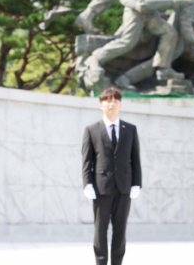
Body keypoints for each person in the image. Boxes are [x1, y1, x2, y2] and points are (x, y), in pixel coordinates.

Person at [84, 0, 190, 90]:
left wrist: (163, 6)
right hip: (134, 12)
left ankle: (163, 68)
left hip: (151, 15)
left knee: (170, 33)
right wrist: (136, 4)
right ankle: (96, 58)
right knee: (128, 42)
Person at [82, 87, 142, 265]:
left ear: (120, 105)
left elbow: (135, 159)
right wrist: (87, 184)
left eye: (115, 101)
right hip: (101, 188)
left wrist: (136, 183)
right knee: (100, 230)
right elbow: (87, 160)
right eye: (108, 101)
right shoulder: (91, 130)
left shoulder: (130, 129)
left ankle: (117, 262)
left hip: (124, 188)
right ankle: (100, 261)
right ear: (101, 105)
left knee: (120, 230)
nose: (112, 104)